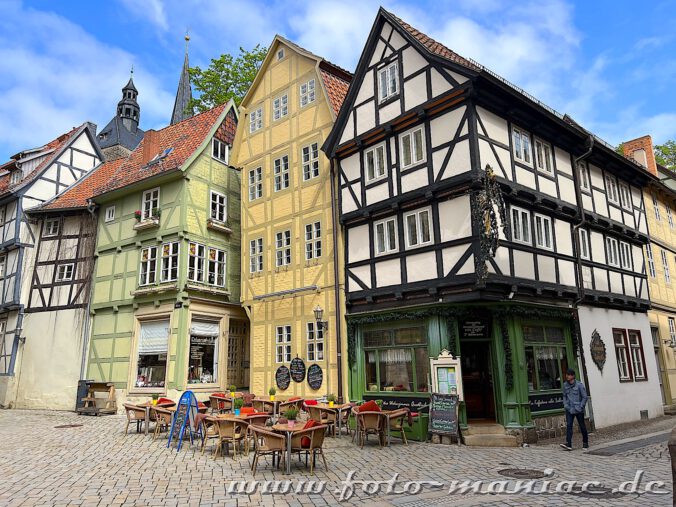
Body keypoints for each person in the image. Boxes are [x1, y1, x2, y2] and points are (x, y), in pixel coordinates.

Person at [560, 368, 589, 451]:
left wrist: (581, 406)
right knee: (569, 425)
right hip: (569, 409)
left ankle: (585, 443)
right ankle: (568, 444)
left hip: (578, 409)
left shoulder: (579, 385)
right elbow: (564, 396)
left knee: (582, 425)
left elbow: (585, 397)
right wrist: (565, 405)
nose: (567, 376)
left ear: (573, 376)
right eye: (566, 375)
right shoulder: (565, 385)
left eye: (568, 375)